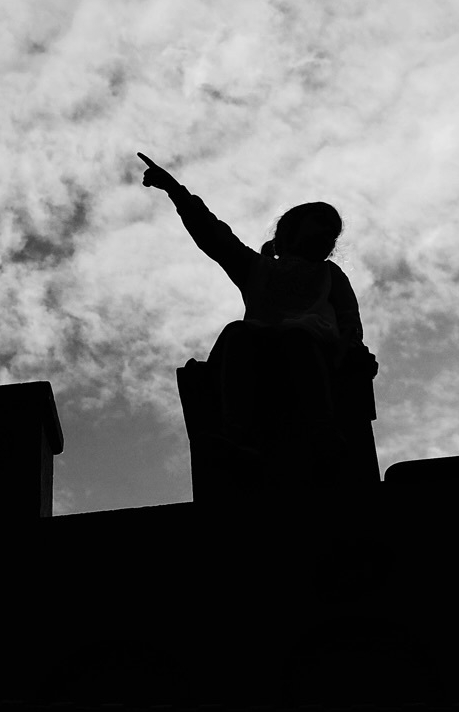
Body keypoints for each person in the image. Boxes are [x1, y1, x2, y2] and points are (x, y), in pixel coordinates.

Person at [138, 152, 379, 490]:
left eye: (333, 234)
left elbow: (349, 319)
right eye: (320, 225)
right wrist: (175, 191)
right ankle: (238, 438)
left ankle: (322, 428)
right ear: (292, 229)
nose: (327, 236)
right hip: (263, 348)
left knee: (297, 339)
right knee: (237, 333)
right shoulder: (259, 270)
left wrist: (354, 348)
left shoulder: (330, 275)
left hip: (315, 349)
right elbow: (214, 236)